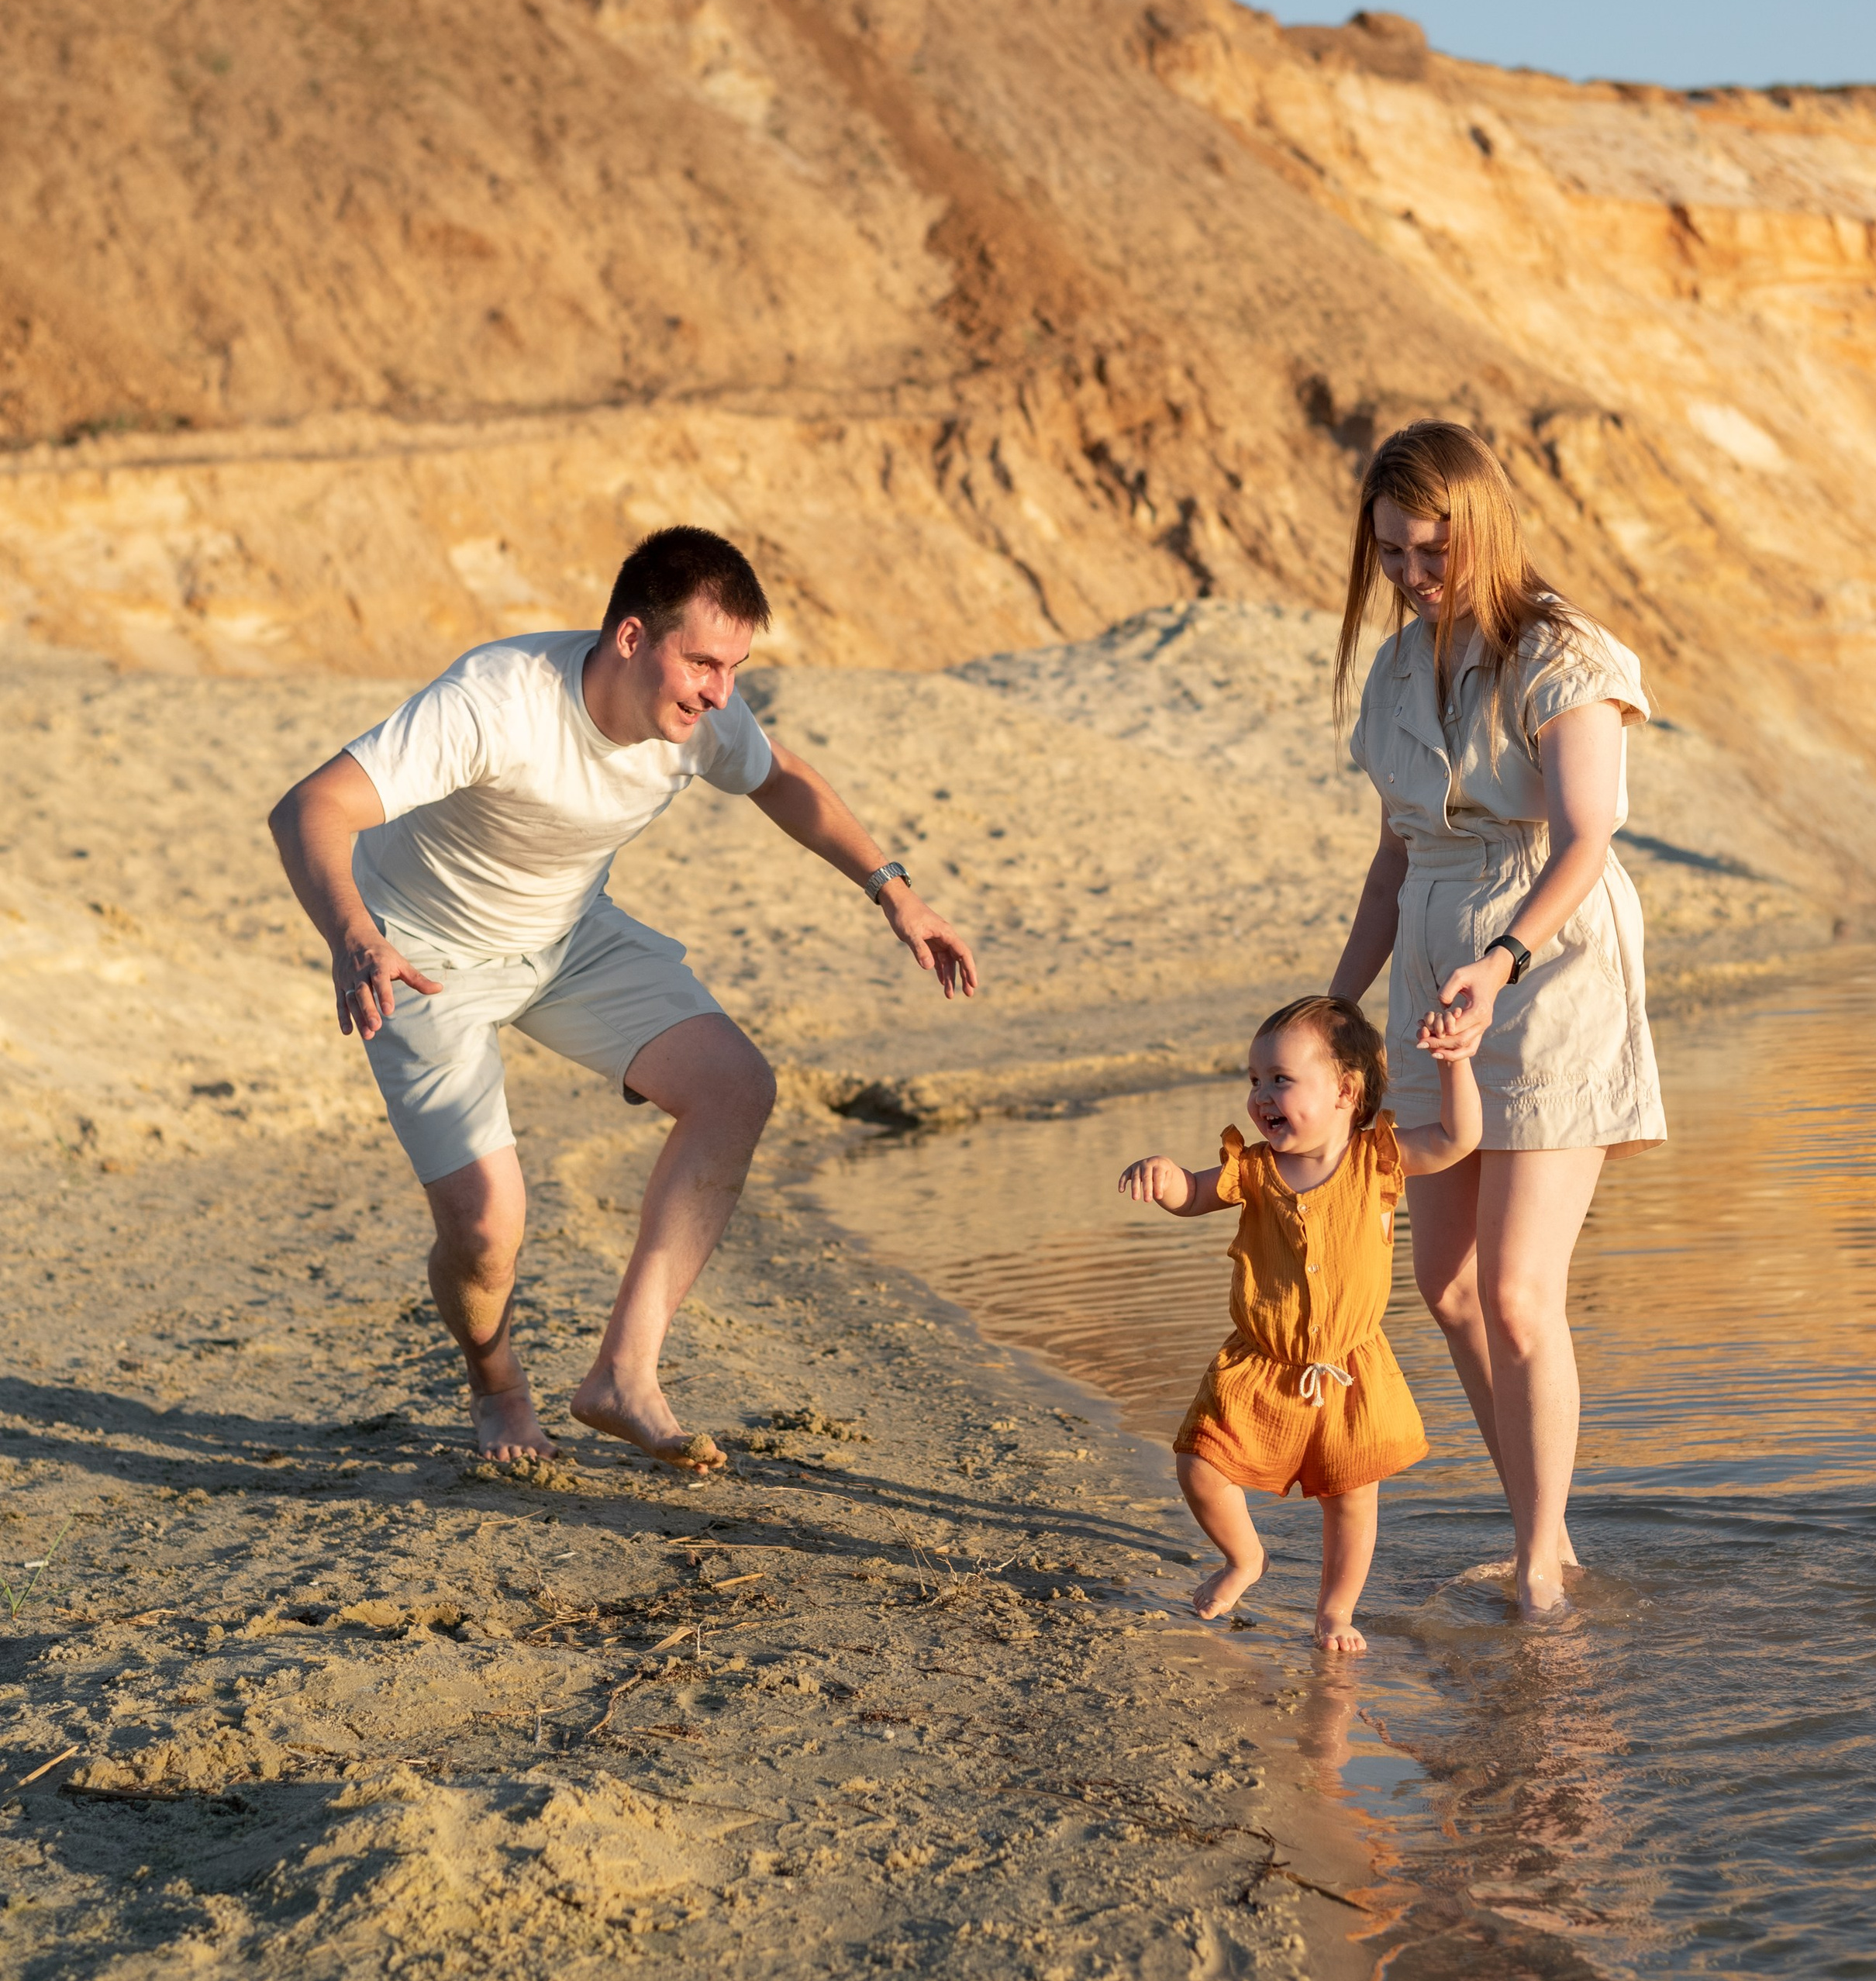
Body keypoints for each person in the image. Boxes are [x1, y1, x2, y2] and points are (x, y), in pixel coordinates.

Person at [267, 525, 976, 1472]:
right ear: (634, 638)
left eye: (736, 666)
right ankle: (498, 1387)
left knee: (735, 1087)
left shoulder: (702, 719)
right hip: (419, 956)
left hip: (569, 938)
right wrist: (353, 933)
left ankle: (623, 1375)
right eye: (704, 662)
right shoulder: (497, 701)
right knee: (485, 1230)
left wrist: (895, 890)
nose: (721, 691)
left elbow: (784, 777)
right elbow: (309, 807)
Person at [1327, 421, 1664, 1619]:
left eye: (1431, 549)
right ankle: (1551, 1530)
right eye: (1393, 553)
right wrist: (1337, 1005)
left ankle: (1535, 1565)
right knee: (1449, 1285)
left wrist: (1503, 959)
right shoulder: (1391, 671)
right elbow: (1390, 859)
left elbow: (1585, 840)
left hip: (1551, 958)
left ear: (1480, 527)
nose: (1413, 574)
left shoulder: (1564, 653)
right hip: (1432, 962)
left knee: (1521, 1289)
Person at [1118, 994, 1478, 1653]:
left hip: (1349, 1368)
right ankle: (1244, 1557)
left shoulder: (1379, 1158)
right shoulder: (1254, 1169)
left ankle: (1335, 1611)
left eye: (1280, 1079)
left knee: (1350, 1499)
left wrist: (1456, 1065)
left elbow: (1458, 1138)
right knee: (1200, 1465)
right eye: (1254, 1080)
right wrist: (1167, 1178)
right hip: (1259, 1360)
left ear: (1345, 1090)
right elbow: (1195, 1194)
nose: (1260, 1096)